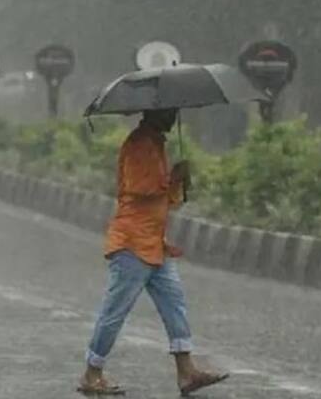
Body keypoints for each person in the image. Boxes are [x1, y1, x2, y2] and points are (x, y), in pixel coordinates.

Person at [78, 108, 228, 396]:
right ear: (154, 113)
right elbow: (139, 188)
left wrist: (177, 182)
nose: (173, 117)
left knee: (175, 304)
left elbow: (165, 201)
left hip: (155, 244)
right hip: (132, 244)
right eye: (168, 112)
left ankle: (186, 372)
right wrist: (169, 178)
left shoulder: (156, 143)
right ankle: (91, 373)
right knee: (115, 312)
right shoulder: (139, 144)